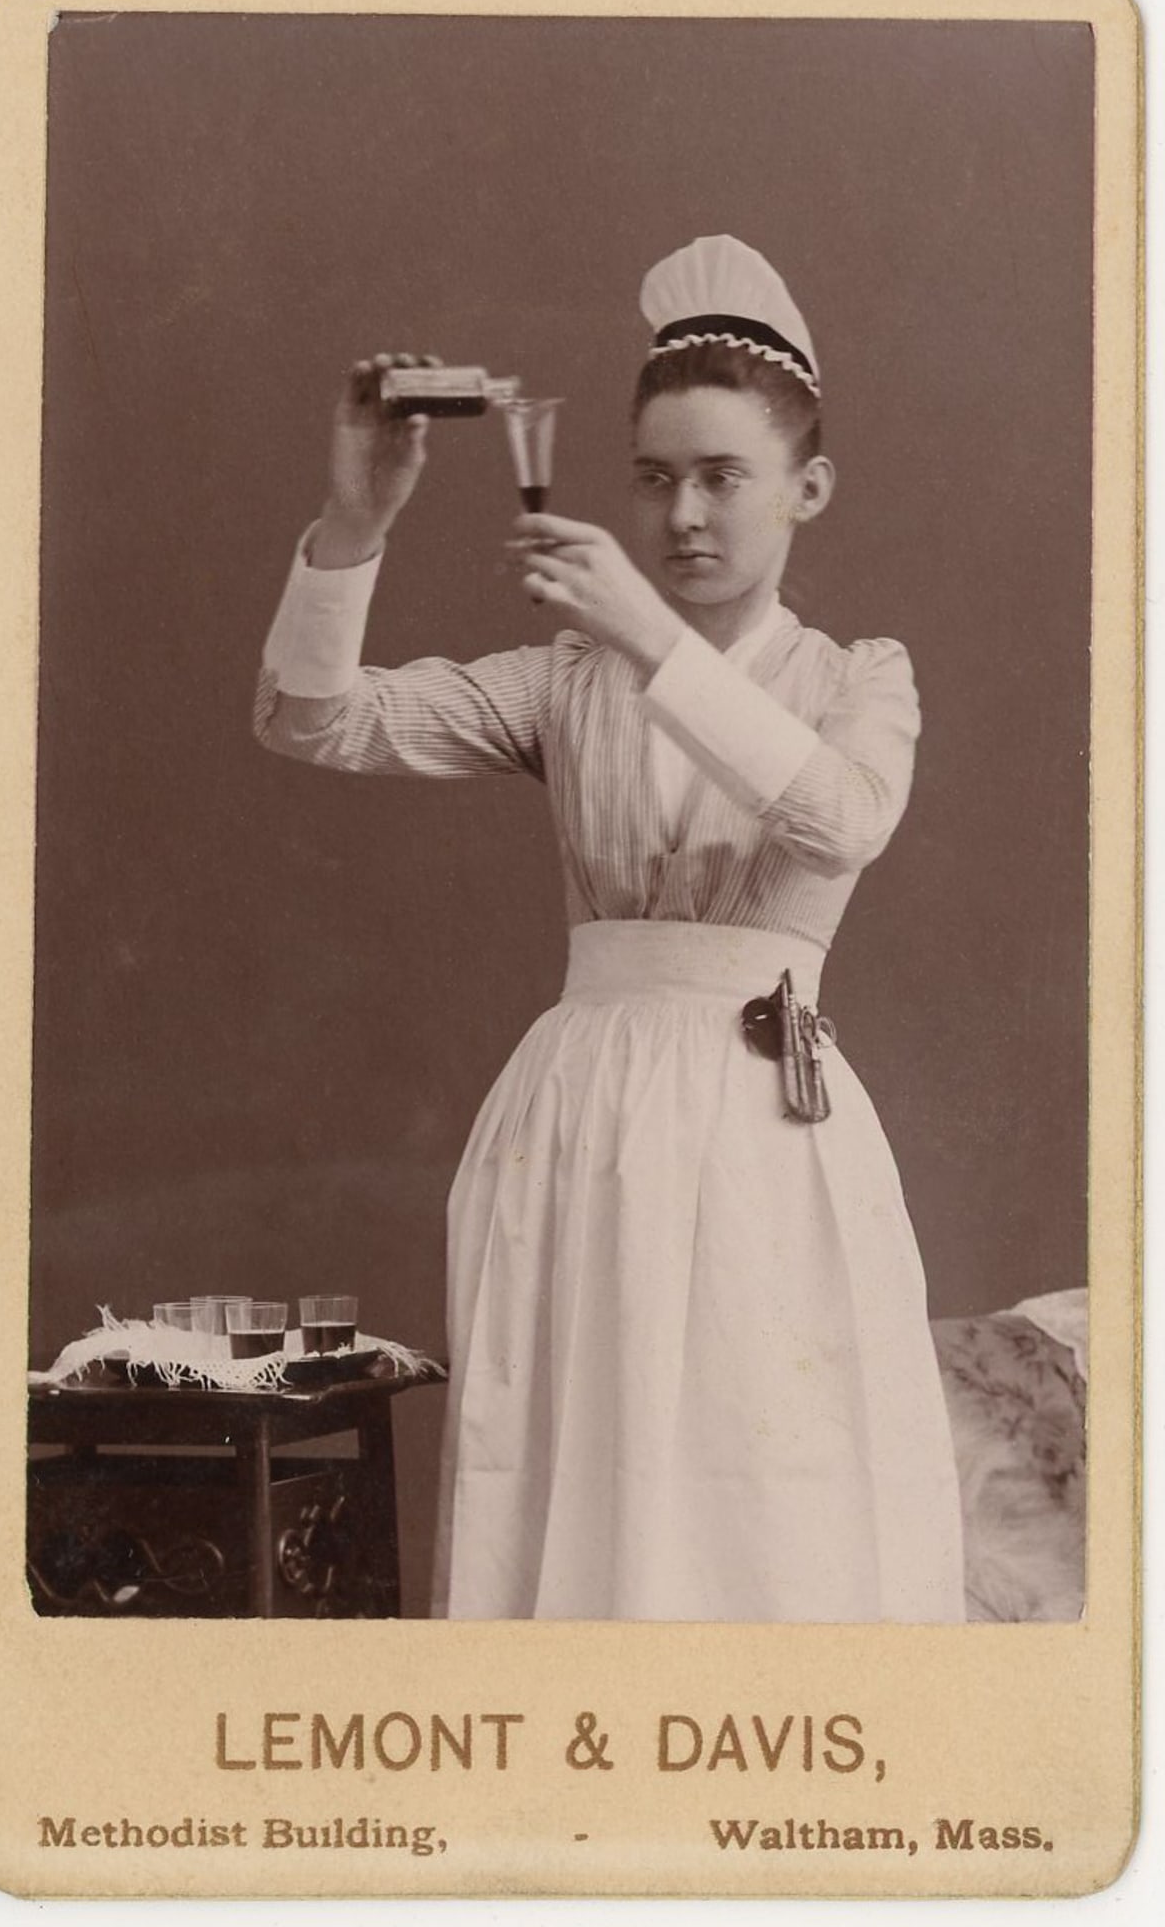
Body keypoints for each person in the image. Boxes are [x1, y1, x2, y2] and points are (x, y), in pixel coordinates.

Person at [255, 234, 966, 1622]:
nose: (684, 514)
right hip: (578, 1119)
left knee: (761, 1503)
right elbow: (311, 719)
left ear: (806, 491)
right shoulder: (563, 685)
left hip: (767, 1133)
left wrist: (652, 638)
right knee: (576, 1498)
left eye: (722, 477)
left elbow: (841, 819)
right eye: (653, 479)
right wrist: (358, 522)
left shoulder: (854, 679)